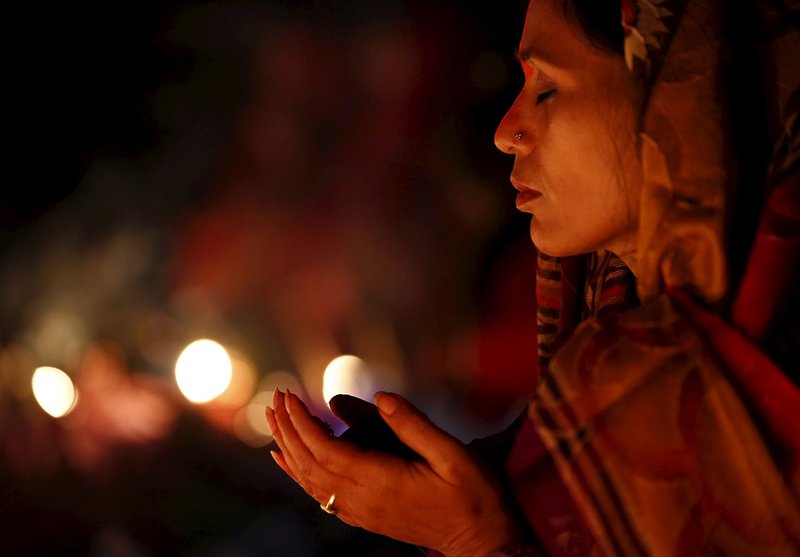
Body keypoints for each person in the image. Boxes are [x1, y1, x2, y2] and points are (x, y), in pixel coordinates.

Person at [266, 0, 800, 555]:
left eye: (547, 89)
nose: (506, 132)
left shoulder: (777, 359)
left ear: (681, 97)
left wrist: (472, 537)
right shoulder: (607, 346)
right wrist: (471, 480)